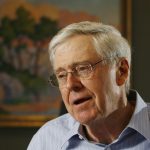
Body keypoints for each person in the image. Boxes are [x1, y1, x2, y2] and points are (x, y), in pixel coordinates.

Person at [27, 21, 150, 150]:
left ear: (121, 71)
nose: (70, 84)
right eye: (62, 75)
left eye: (83, 68)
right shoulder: (46, 140)